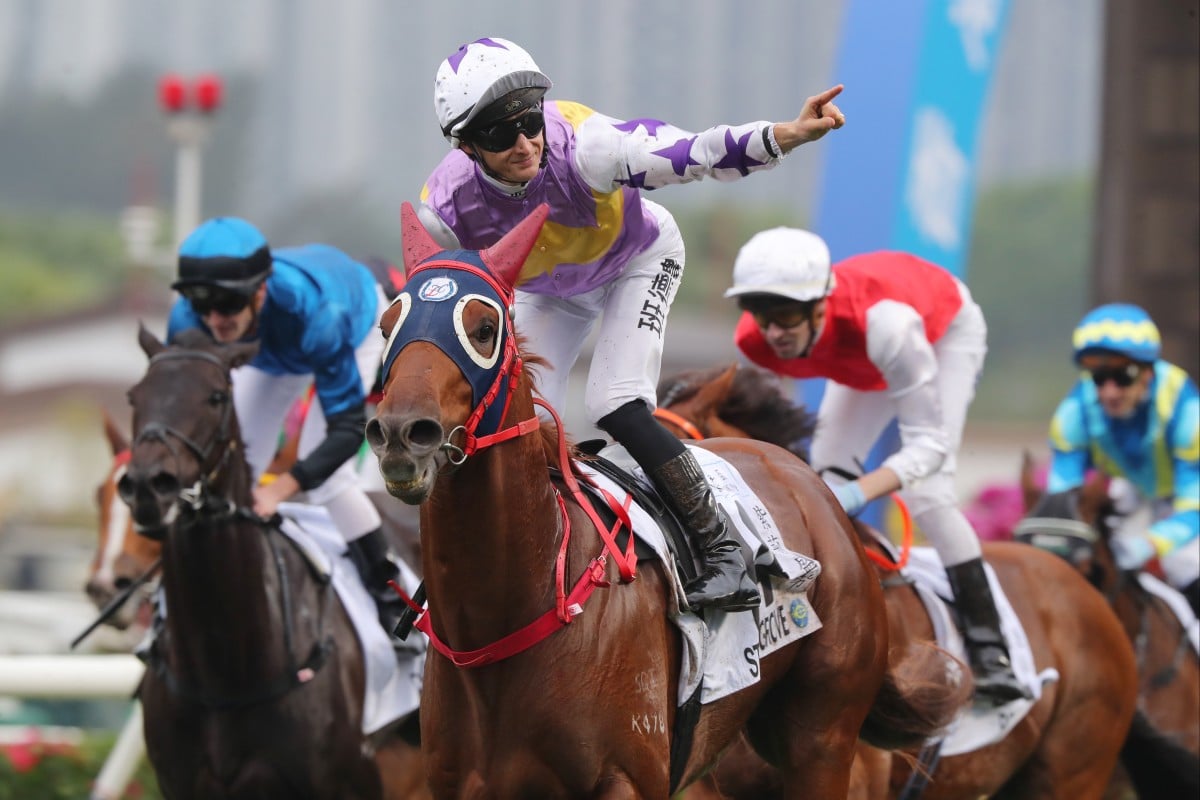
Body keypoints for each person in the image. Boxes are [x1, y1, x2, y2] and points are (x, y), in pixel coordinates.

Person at [414, 36, 846, 614]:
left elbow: (697, 152)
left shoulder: (589, 147)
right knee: (510, 412)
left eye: (530, 120)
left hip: (637, 261)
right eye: (500, 133)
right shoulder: (442, 210)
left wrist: (785, 135)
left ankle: (722, 549)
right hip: (552, 291)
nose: (524, 142)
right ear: (466, 145)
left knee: (612, 400)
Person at [725, 227, 1029, 704]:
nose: (773, 332)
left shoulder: (889, 326)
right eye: (760, 314)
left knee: (928, 494)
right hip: (863, 355)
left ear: (820, 304)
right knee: (821, 479)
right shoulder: (756, 340)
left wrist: (858, 492)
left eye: (784, 314)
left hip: (937, 335)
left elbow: (929, 449)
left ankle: (993, 651)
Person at [166, 217, 407, 634]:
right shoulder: (187, 321)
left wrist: (278, 490)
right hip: (271, 348)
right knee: (233, 464)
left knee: (329, 481)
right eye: (202, 305)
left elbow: (346, 433)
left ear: (259, 291)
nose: (215, 319)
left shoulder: (319, 315)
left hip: (355, 323)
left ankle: (390, 601)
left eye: (227, 304)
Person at [1047, 303, 1199, 616]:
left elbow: (1192, 508)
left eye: (1123, 375)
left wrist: (1149, 545)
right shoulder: (1072, 415)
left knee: (1183, 561)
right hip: (1133, 487)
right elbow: (1062, 499)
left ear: (1148, 373)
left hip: (1184, 496)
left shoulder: (1186, 414)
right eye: (1099, 377)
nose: (1110, 391)